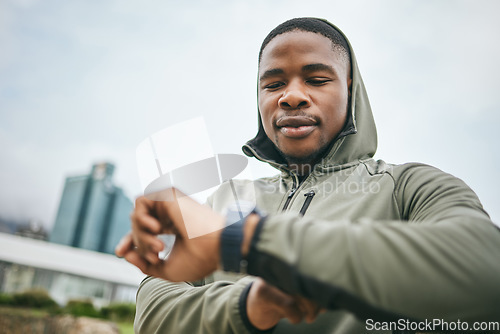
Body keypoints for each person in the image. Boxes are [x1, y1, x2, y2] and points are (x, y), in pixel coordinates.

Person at [115, 18, 500, 333]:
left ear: (350, 89)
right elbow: (154, 314)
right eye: (274, 83)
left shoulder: (411, 187)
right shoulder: (226, 198)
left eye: (316, 80)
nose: (292, 96)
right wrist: (249, 305)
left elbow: (486, 272)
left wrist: (243, 242)